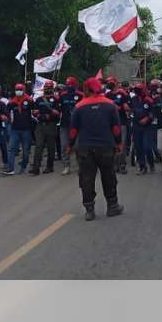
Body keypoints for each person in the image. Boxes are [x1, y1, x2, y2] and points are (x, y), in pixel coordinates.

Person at [67, 77, 124, 221]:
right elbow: (116, 128)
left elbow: (73, 130)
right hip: (105, 147)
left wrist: (70, 145)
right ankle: (112, 206)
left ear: (87, 89)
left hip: (85, 148)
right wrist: (119, 143)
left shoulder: (79, 106)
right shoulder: (110, 105)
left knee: (86, 178)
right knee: (108, 176)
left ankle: (89, 210)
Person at [104, 77, 131, 174]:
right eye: (108, 82)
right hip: (110, 124)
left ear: (116, 83)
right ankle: (114, 164)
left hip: (121, 122)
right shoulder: (107, 95)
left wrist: (118, 106)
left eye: (111, 82)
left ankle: (122, 164)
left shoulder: (123, 94)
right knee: (113, 144)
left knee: (121, 144)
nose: (109, 84)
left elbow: (128, 108)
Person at [33, 81, 60, 175]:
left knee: (51, 147)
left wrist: (50, 112)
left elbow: (57, 113)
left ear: (52, 88)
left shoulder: (56, 99)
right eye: (46, 87)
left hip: (51, 125)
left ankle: (50, 166)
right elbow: (35, 112)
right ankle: (36, 167)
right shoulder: (39, 99)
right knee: (38, 146)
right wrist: (43, 115)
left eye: (49, 87)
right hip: (40, 125)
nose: (47, 88)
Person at [7, 83, 34, 175]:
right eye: (17, 89)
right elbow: (7, 112)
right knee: (11, 149)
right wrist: (8, 119)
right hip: (14, 129)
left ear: (24, 90)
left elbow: (34, 111)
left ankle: (23, 165)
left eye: (20, 89)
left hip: (26, 129)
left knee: (26, 151)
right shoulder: (12, 102)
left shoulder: (29, 100)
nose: (18, 91)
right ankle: (10, 168)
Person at [58, 77, 82, 175]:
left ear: (75, 85)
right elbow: (58, 108)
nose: (69, 86)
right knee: (64, 146)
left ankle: (80, 166)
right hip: (64, 124)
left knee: (77, 147)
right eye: (68, 85)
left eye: (71, 84)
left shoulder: (80, 95)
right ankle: (66, 166)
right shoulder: (62, 95)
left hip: (78, 126)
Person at [130, 83, 155, 174]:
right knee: (138, 147)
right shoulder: (133, 99)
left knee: (147, 147)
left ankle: (151, 163)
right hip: (136, 127)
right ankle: (142, 166)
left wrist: (147, 118)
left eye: (138, 89)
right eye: (135, 89)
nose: (136, 91)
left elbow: (153, 113)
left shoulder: (148, 100)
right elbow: (130, 109)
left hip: (147, 127)